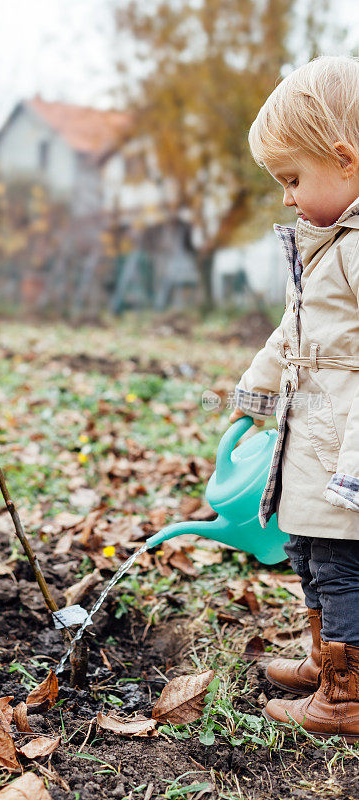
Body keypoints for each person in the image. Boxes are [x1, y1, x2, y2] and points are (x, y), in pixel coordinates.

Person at [229, 55, 359, 741]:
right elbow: (294, 332)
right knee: (309, 552)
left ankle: (346, 695)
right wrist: (253, 388)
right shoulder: (323, 247)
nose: (284, 196)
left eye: (291, 178)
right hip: (312, 438)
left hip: (344, 447)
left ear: (343, 160)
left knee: (340, 565)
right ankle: (325, 663)